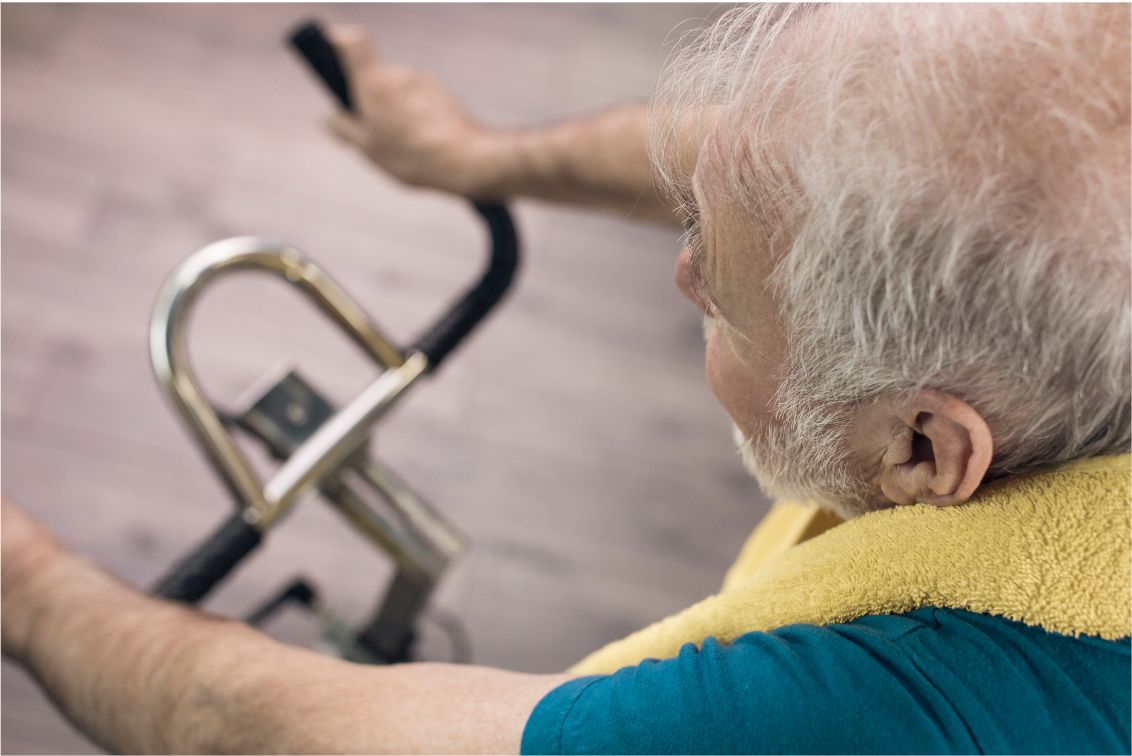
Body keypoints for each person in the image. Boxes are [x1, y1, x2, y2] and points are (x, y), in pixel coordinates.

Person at [3, 3, 1132, 753]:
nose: (682, 268)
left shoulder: (876, 715)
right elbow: (793, 152)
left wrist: (26, 584)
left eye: (722, 297)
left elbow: (251, 724)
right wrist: (472, 156)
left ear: (924, 451)